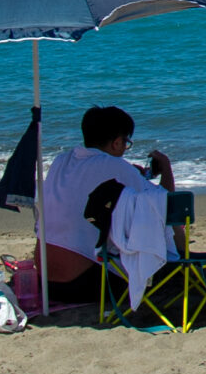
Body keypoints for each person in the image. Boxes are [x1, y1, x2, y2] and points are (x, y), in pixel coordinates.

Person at [39, 105, 175, 303]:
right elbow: (168, 205)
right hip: (82, 283)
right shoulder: (116, 166)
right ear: (117, 142)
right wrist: (166, 168)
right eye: (126, 143)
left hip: (45, 282)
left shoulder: (61, 160)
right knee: (163, 232)